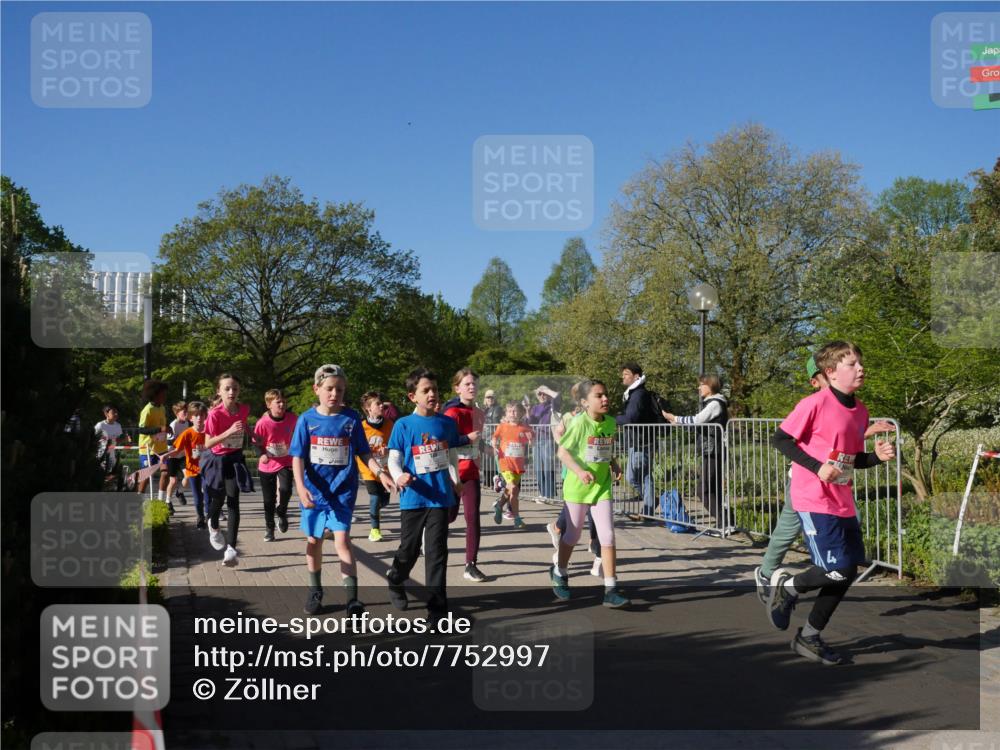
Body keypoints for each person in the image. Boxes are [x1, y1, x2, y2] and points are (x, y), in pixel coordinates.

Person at [765, 341, 895, 665]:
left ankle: (809, 636)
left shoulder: (860, 411)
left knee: (847, 571)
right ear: (831, 372)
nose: (860, 368)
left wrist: (875, 458)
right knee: (834, 569)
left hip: (842, 499)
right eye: (852, 364)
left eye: (859, 363)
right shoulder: (814, 403)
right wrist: (816, 466)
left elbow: (850, 461)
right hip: (813, 497)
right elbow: (780, 439)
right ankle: (788, 586)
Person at [291, 365, 394, 616]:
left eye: (339, 389)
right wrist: (301, 488)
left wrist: (381, 473)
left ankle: (352, 599)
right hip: (314, 492)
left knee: (342, 541)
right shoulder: (306, 420)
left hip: (342, 492)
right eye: (329, 388)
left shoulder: (350, 420)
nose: (334, 393)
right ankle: (315, 590)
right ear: (317, 389)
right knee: (313, 541)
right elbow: (297, 457)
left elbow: (363, 452)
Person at [386, 367, 462, 619]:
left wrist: (455, 479)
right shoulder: (403, 424)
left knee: (437, 552)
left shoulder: (447, 423)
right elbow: (394, 458)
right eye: (425, 390)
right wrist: (398, 476)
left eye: (435, 390)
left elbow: (450, 454)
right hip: (414, 496)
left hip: (440, 497)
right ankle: (396, 578)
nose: (432, 394)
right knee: (409, 549)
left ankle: (438, 611)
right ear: (412, 396)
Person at [550, 379, 630, 609]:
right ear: (585, 402)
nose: (605, 399)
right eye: (598, 396)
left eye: (605, 395)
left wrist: (614, 463)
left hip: (602, 485)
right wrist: (580, 471)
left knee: (608, 536)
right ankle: (560, 571)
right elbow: (563, 453)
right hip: (577, 487)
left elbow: (605, 447)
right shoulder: (578, 424)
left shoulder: (611, 422)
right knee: (572, 536)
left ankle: (611, 589)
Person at [548, 381, 601, 575]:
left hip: (594, 471)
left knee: (593, 508)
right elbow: (558, 434)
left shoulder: (597, 418)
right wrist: (566, 448)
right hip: (573, 470)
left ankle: (595, 543)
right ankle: (558, 531)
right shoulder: (571, 417)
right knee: (574, 512)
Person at [663, 375, 729, 526]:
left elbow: (698, 420)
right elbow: (701, 423)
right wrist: (678, 423)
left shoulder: (715, 404)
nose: (699, 388)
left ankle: (725, 521)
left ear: (710, 386)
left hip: (714, 450)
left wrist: (675, 418)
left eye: (701, 385)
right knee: (711, 488)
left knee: (703, 489)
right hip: (712, 450)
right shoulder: (713, 403)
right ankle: (723, 522)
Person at [202, 373, 251, 567]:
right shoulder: (214, 414)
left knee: (233, 500)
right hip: (216, 459)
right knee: (218, 498)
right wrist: (228, 432)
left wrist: (253, 436)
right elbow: (207, 443)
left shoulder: (244, 409)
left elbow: (244, 425)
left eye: (235, 389)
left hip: (235, 458)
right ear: (219, 392)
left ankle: (231, 549)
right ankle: (213, 525)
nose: (232, 392)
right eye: (227, 389)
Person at [443, 368, 486, 582]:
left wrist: (485, 446)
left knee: (473, 518)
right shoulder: (452, 413)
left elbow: (477, 440)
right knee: (448, 517)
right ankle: (429, 537)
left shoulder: (480, 413)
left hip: (471, 473)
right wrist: (466, 438)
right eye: (467, 384)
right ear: (457, 388)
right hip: (452, 473)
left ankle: (471, 564)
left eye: (474, 384)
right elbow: (445, 442)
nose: (472, 387)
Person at [253, 389, 297, 542]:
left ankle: (282, 511)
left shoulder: (293, 419)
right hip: (267, 464)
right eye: (278, 401)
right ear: (268, 405)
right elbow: (255, 443)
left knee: (286, 489)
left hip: (286, 461)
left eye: (284, 401)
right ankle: (269, 528)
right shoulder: (263, 423)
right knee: (268, 499)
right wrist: (262, 454)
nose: (282, 404)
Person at [616, 363, 660, 517]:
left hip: (641, 442)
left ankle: (649, 508)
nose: (623, 376)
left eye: (626, 373)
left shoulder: (638, 395)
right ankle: (650, 503)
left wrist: (610, 419)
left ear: (636, 377)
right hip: (637, 441)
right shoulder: (634, 394)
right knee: (635, 477)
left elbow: (631, 418)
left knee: (640, 476)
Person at [356, 391, 394, 542]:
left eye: (381, 403)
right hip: (368, 469)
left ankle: (375, 511)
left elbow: (395, 444)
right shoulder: (361, 426)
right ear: (368, 409)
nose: (381, 406)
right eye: (377, 404)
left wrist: (388, 449)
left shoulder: (389, 424)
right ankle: (375, 529)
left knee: (384, 501)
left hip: (385, 468)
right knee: (374, 497)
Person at [491, 401, 533, 529]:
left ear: (520, 413)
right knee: (514, 488)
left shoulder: (524, 427)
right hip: (505, 463)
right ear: (506, 413)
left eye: (515, 411)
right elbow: (494, 437)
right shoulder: (502, 426)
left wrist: (530, 439)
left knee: (511, 491)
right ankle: (517, 519)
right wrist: (494, 444)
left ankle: (499, 505)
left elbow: (531, 441)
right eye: (509, 411)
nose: (512, 414)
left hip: (518, 465)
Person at [171, 402, 209, 528]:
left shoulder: (209, 432)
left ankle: (209, 515)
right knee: (197, 495)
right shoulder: (187, 433)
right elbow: (176, 449)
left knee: (208, 493)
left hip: (207, 469)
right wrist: (165, 455)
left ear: (205, 416)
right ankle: (200, 517)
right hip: (193, 469)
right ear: (190, 418)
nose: (199, 418)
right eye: (196, 415)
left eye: (202, 415)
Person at [136, 380, 170, 502]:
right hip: (148, 449)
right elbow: (141, 429)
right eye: (163, 394)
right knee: (145, 477)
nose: (165, 397)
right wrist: (160, 429)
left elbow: (162, 424)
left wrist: (167, 428)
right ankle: (139, 501)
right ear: (154, 395)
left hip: (162, 448)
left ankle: (161, 502)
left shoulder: (162, 408)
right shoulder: (147, 410)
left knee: (165, 473)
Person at [528, 385, 560, 500]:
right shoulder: (535, 407)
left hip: (548, 439)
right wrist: (528, 411)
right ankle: (542, 494)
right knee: (538, 468)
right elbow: (531, 422)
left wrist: (546, 390)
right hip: (537, 439)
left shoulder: (553, 405)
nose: (542, 396)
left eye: (544, 393)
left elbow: (557, 396)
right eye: (539, 394)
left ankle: (549, 495)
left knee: (547, 468)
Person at [165, 401, 190, 510]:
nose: (186, 414)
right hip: (172, 456)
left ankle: (179, 493)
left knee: (188, 476)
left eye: (187, 412)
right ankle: (167, 502)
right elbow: (170, 444)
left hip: (183, 455)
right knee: (173, 481)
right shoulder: (173, 425)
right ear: (177, 413)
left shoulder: (187, 423)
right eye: (184, 412)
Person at [94, 404, 127, 477]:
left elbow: (117, 441)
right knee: (101, 475)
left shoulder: (118, 426)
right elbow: (93, 439)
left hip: (112, 455)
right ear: (106, 414)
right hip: (100, 455)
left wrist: (124, 439)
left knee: (111, 476)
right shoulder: (100, 425)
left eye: (117, 412)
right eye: (113, 412)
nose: (116, 414)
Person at [481, 389, 504, 488]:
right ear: (485, 399)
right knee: (486, 460)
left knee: (495, 460)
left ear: (495, 398)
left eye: (492, 397)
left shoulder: (498, 408)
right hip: (485, 437)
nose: (490, 399)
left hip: (494, 438)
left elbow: (499, 421)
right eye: (488, 397)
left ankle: (498, 482)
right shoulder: (484, 409)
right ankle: (488, 482)